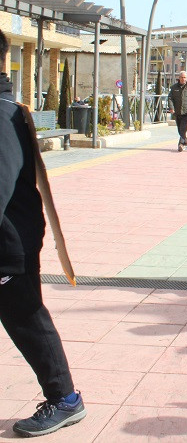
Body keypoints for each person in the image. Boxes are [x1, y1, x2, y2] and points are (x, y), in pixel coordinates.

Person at [0, 28, 87, 437]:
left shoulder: (1, 116)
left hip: (8, 245)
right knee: (25, 318)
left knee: (27, 319)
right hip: (12, 239)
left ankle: (66, 399)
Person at [168, 70, 187, 152]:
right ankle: (185, 143)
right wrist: (171, 107)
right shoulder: (174, 88)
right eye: (181, 77)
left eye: (184, 77)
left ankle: (180, 144)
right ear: (179, 78)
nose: (183, 79)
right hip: (177, 112)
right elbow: (170, 98)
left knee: (183, 128)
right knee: (180, 129)